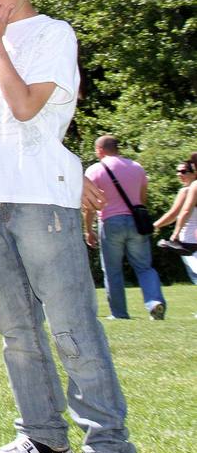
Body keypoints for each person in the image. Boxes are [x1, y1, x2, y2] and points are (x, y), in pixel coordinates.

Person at [0, 0, 136, 453]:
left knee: (71, 328)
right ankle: (40, 435)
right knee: (17, 332)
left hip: (43, 206)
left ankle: (110, 449)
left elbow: (26, 110)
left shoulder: (52, 35)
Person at [84, 136, 165, 320]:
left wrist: (88, 230)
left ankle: (119, 313)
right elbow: (142, 199)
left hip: (110, 222)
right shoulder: (136, 167)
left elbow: (89, 204)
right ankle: (154, 302)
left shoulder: (96, 169)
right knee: (145, 267)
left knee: (112, 270)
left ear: (99, 150)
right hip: (136, 222)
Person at [154, 155, 197, 284]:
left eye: (184, 171)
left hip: (189, 242)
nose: (179, 174)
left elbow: (175, 214)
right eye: (178, 171)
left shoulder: (187, 190)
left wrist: (155, 226)